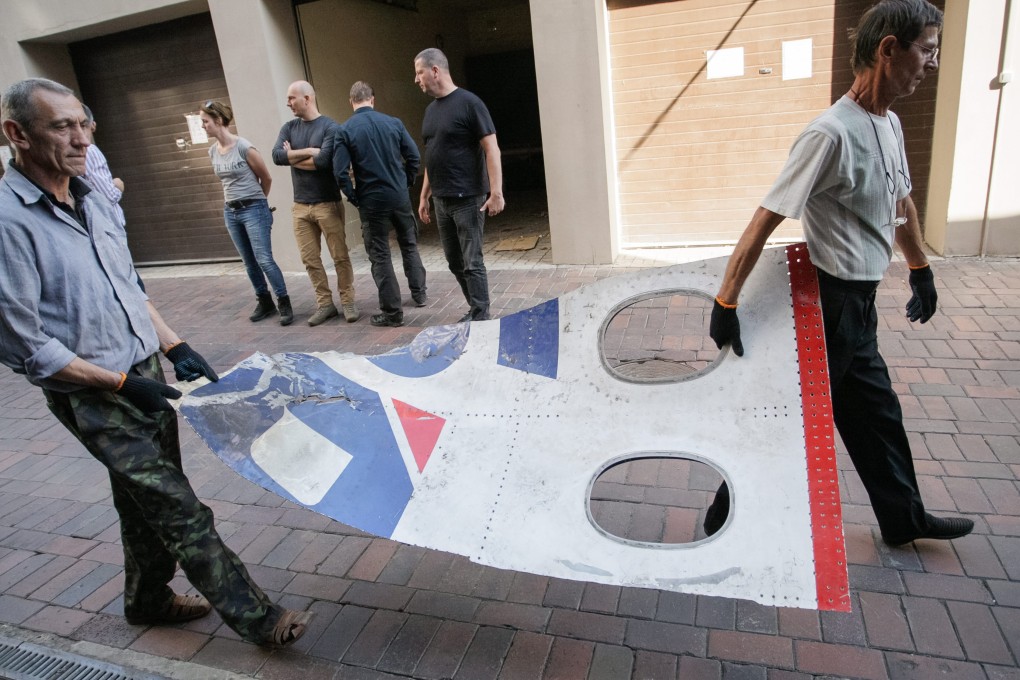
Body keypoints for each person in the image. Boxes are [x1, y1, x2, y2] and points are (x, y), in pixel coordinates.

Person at [0, 78, 312, 646]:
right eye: (61, 126)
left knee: (142, 495)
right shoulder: (8, 223)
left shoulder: (91, 197)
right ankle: (259, 618)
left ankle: (146, 599)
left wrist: (173, 345)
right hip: (91, 391)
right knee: (176, 504)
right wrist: (118, 381)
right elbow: (27, 347)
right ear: (16, 134)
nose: (81, 138)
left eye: (84, 122)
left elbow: (127, 286)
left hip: (145, 372)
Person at [706, 0, 973, 547]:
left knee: (876, 415)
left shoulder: (889, 122)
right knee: (790, 421)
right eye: (926, 50)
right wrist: (727, 300)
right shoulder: (829, 134)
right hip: (828, 307)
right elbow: (767, 216)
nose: (932, 63)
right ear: (888, 49)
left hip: (860, 305)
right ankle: (721, 518)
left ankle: (904, 518)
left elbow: (899, 198)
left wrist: (920, 266)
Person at [413, 48, 504, 322]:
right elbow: (432, 154)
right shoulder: (430, 110)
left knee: (472, 261)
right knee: (454, 262)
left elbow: (492, 149)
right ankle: (476, 308)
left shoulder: (469, 103)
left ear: (435, 71)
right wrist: (424, 195)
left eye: (419, 72)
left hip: (467, 198)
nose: (416, 79)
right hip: (441, 199)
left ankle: (480, 315)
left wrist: (496, 191)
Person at [328, 81, 427, 327]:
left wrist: (354, 197)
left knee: (380, 255)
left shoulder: (345, 130)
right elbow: (414, 156)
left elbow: (340, 172)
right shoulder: (393, 123)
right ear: (372, 99)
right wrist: (406, 182)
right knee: (409, 244)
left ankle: (393, 313)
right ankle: (419, 293)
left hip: (371, 200)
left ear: (351, 101)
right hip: (399, 196)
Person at [272, 80, 359, 326]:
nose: (288, 103)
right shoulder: (288, 127)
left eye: (291, 98)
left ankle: (348, 301)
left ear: (307, 98)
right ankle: (325, 304)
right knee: (310, 259)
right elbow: (277, 156)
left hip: (327, 203)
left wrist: (294, 156)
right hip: (300, 206)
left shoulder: (331, 127)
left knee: (340, 256)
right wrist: (310, 151)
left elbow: (324, 162)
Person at [200, 100, 292, 326]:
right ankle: (264, 300)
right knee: (249, 261)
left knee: (264, 259)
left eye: (205, 121)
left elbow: (266, 177)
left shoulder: (244, 147)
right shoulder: (212, 151)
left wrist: (259, 202)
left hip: (253, 208)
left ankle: (284, 302)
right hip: (230, 211)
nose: (203, 126)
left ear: (219, 121)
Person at [81, 104, 125, 228]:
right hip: (108, 227)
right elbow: (108, 197)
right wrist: (118, 185)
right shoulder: (89, 151)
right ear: (93, 125)